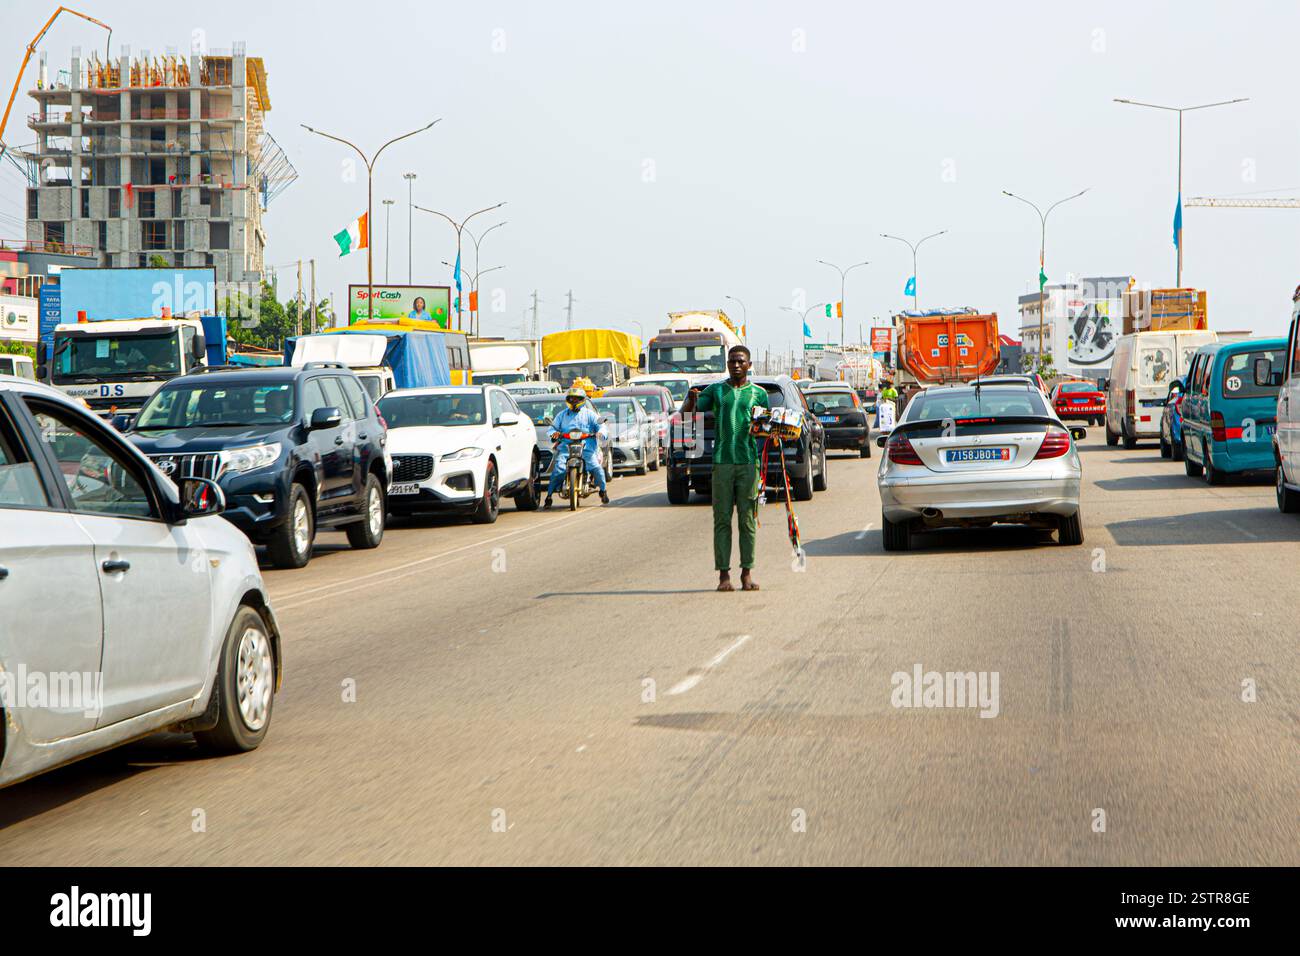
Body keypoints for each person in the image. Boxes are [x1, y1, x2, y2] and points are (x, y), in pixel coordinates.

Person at [680, 345, 769, 592]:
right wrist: (690, 399)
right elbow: (687, 415)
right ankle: (723, 576)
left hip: (748, 462)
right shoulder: (716, 390)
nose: (736, 365)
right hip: (721, 463)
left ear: (749, 365)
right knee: (721, 520)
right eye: (732, 361)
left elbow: (766, 427)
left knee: (747, 520)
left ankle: (747, 573)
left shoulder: (759, 394)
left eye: (740, 361)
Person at [545, 386, 608, 508]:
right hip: (566, 448)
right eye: (571, 399)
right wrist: (554, 433)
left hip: (587, 449)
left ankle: (603, 491)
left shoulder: (590, 414)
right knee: (559, 469)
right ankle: (549, 496)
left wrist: (600, 433)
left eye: (577, 399)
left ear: (583, 400)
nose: (574, 402)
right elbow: (552, 428)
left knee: (595, 467)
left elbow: (601, 425)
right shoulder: (561, 415)